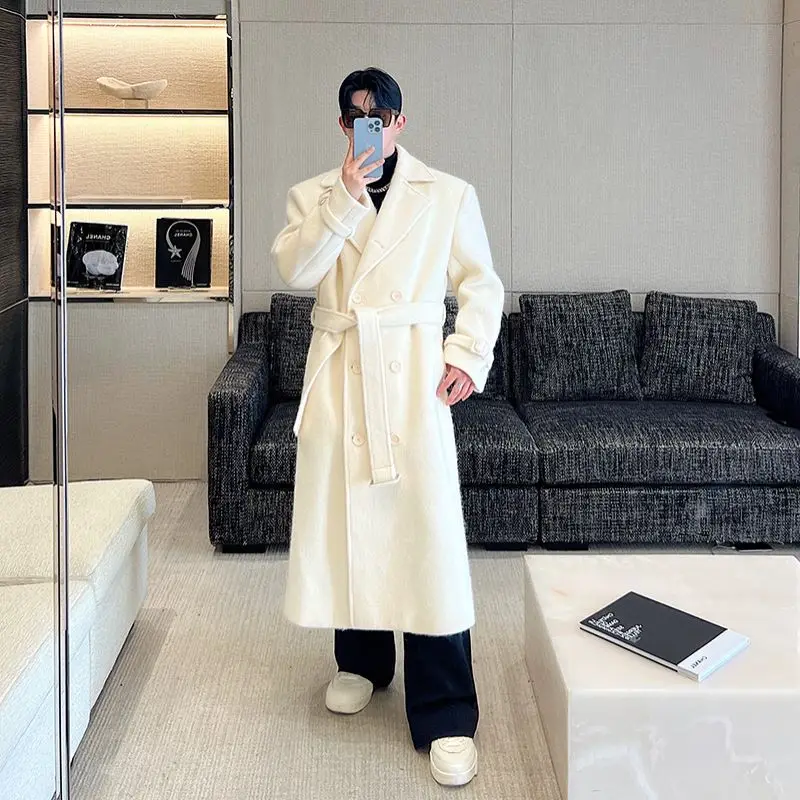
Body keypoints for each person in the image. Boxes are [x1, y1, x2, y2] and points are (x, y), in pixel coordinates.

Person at [270, 67, 505, 787]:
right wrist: (345, 197)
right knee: (353, 525)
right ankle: (362, 663)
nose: (367, 127)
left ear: (401, 121)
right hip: (343, 376)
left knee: (426, 541)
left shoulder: (448, 193)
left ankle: (446, 711)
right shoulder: (314, 195)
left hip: (410, 383)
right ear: (343, 124)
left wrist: (467, 355)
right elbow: (297, 272)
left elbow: (481, 283)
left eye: (380, 115)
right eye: (355, 117)